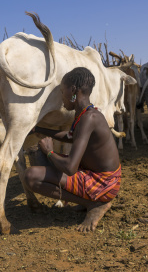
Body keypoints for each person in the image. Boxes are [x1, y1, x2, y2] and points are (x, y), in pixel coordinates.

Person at [24, 67, 122, 232]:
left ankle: (92, 203)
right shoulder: (87, 113)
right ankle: (90, 201)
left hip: (103, 183)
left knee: (30, 176)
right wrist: (40, 130)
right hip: (101, 177)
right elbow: (71, 136)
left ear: (73, 91)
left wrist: (50, 151)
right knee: (45, 162)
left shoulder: (88, 118)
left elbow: (70, 168)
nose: (62, 97)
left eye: (62, 92)